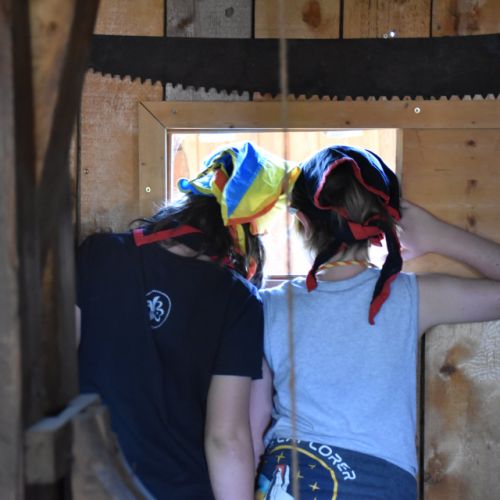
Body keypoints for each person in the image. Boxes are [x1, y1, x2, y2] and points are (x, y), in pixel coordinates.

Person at [250, 145, 500, 500]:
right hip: (379, 485)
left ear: (303, 222)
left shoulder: (267, 305)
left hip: (288, 480)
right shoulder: (410, 297)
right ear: (380, 223)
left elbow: (249, 425)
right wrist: (437, 235)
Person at [76, 142, 298, 499]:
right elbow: (226, 439)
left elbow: (54, 368)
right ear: (246, 234)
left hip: (88, 484)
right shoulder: (237, 299)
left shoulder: (98, 254)